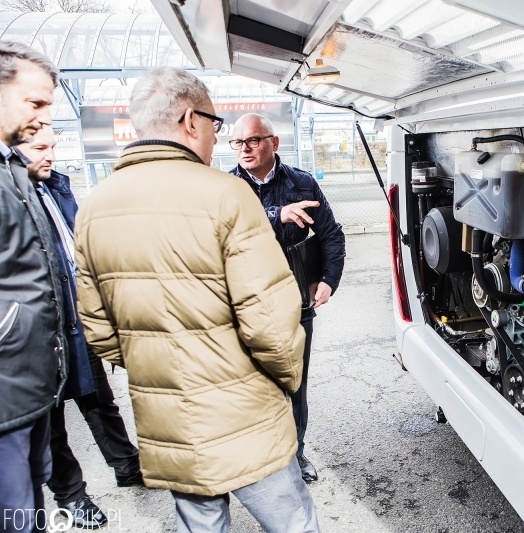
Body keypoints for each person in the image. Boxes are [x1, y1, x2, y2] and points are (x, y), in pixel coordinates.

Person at [73, 67, 319, 533]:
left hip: (171, 425)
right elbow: (271, 321)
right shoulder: (227, 194)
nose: (215, 136)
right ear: (190, 120)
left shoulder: (95, 206)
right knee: (294, 525)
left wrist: (158, 365)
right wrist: (286, 381)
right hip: (246, 417)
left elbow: (100, 331)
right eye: (214, 124)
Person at [16, 127, 143, 530]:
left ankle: (127, 466)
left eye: (53, 146)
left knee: (98, 399)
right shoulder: (13, 197)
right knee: (51, 420)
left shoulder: (53, 189)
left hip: (76, 318)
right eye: (40, 148)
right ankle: (71, 496)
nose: (50, 155)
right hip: (37, 331)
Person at [229, 114, 346, 483]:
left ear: (274, 143)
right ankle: (258, 456)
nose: (244, 149)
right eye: (237, 143)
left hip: (295, 302)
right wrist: (278, 214)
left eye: (252, 141)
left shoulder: (302, 183)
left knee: (294, 382)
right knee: (251, 384)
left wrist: (328, 280)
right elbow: (228, 230)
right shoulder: (225, 188)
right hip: (245, 304)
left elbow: (332, 236)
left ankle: (295, 454)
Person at [0, 41, 67, 533]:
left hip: (29, 378)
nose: (45, 115)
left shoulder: (11, 169)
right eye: (35, 102)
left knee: (29, 499)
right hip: (7, 385)